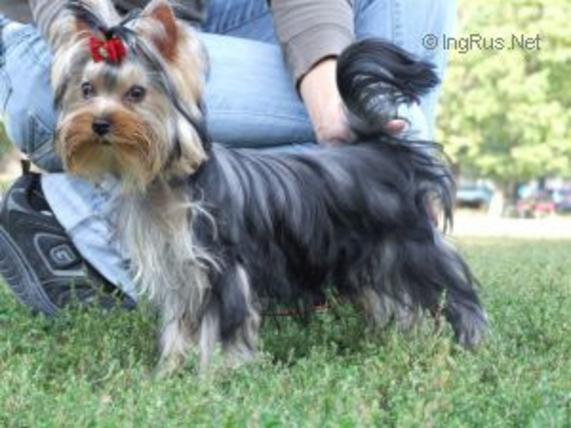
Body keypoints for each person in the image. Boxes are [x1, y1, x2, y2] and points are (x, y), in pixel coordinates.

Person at [0, 0, 455, 315]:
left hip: (195, 23)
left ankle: (370, 232)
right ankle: (78, 218)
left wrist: (328, 106)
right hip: (50, 40)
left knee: (382, 115)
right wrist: (113, 45)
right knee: (147, 121)